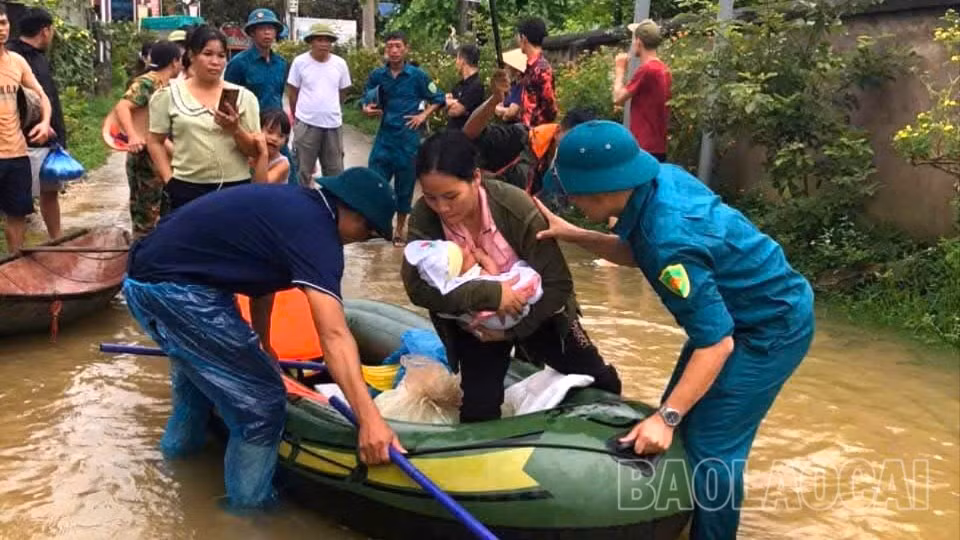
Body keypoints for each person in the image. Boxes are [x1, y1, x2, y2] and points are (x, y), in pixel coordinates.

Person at [535, 120, 816, 539]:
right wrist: (576, 235)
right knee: (682, 412)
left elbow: (716, 343)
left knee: (711, 447)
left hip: (770, 328)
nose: (571, 202)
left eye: (573, 196)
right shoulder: (657, 181)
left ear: (600, 192)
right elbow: (638, 252)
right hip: (737, 315)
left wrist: (666, 419)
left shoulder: (669, 240)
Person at [124, 167, 404, 509]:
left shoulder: (295, 207)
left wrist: (264, 345)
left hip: (156, 277)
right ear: (356, 217)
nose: (360, 240)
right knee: (262, 406)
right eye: (367, 233)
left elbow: (262, 283)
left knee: (197, 378)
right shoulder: (318, 234)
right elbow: (333, 334)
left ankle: (177, 461)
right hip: (179, 293)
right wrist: (370, 420)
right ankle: (247, 513)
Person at [400, 129, 622, 423]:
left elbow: (558, 284)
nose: (442, 208)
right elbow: (418, 290)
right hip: (474, 325)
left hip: (542, 315)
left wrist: (510, 332)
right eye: (431, 198)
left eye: (451, 196)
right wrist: (493, 296)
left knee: (602, 382)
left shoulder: (515, 207)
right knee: (479, 412)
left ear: (476, 178)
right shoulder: (424, 219)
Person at [147, 26, 261, 213]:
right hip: (187, 187)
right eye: (208, 54)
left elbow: (255, 152)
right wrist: (169, 180)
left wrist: (235, 129)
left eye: (221, 56)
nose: (215, 62)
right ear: (192, 55)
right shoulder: (168, 95)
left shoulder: (243, 97)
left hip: (235, 189)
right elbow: (154, 141)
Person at [362, 31, 445, 247]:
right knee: (375, 181)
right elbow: (366, 98)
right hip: (384, 136)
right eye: (390, 46)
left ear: (406, 48)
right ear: (385, 50)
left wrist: (423, 115)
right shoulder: (378, 75)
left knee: (405, 185)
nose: (394, 51)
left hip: (407, 139)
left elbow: (439, 98)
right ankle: (380, 225)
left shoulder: (417, 76)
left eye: (398, 46)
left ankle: (400, 229)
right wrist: (366, 108)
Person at [463, 69, 595, 195]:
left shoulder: (573, 174)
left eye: (580, 147)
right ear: (558, 131)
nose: (574, 150)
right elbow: (470, 132)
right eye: (571, 141)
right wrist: (494, 100)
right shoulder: (521, 139)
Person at [8, 7, 65, 241]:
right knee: (20, 201)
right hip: (22, 142)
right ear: (45, 31)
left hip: (48, 139)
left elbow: (43, 96)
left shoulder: (38, 57)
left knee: (49, 192)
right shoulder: (12, 58)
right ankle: (18, 255)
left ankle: (57, 239)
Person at [113, 40, 182, 237]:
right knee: (145, 217)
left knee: (165, 212)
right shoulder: (146, 82)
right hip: (144, 159)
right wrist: (133, 136)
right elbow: (122, 107)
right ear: (174, 62)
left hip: (161, 158)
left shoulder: (167, 85)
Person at [0, 5, 52, 254]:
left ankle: (14, 264)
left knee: (17, 214)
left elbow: (42, 95)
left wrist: (44, 122)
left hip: (17, 153)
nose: (1, 29)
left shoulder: (17, 62)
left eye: (3, 23)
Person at [403, 239, 543, 330]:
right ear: (461, 268)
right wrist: (483, 257)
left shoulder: (454, 288)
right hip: (505, 314)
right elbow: (494, 274)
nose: (468, 249)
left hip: (485, 321)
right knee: (522, 276)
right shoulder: (475, 275)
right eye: (467, 256)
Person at [225, 8, 296, 184]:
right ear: (252, 32)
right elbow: (228, 102)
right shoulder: (238, 64)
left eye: (271, 28)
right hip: (250, 132)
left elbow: (278, 96)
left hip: (275, 132)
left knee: (288, 176)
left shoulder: (280, 63)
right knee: (252, 180)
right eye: (261, 28)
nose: (267, 32)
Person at [286, 23, 351, 185]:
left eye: (328, 40)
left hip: (333, 126)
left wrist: (332, 109)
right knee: (302, 171)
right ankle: (300, 207)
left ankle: (332, 207)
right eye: (319, 39)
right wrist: (297, 119)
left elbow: (342, 92)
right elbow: (292, 92)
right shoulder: (300, 62)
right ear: (311, 42)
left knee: (335, 172)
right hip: (306, 124)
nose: (324, 44)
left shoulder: (340, 64)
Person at [613, 19, 672, 162]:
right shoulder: (664, 69)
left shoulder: (647, 70)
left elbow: (617, 98)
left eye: (633, 40)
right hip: (658, 145)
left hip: (645, 146)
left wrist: (620, 69)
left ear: (638, 42)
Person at [515, 17, 557, 127]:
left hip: (538, 133)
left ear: (524, 38)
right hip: (525, 130)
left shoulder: (542, 68)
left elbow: (550, 106)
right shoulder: (529, 67)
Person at [444, 44, 484, 131]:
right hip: (452, 135)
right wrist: (452, 102)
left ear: (462, 61)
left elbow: (455, 111)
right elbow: (446, 102)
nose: (456, 62)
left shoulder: (476, 85)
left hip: (465, 138)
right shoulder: (460, 85)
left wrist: (448, 102)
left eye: (457, 58)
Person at [250, 108, 290, 184]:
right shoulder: (250, 154)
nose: (275, 139)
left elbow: (261, 186)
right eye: (270, 132)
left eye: (281, 136)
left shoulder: (283, 164)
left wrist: (264, 154)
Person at [494, 49, 526, 124]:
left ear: (517, 72)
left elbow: (511, 113)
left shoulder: (523, 87)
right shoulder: (512, 86)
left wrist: (502, 111)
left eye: (508, 67)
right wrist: (505, 111)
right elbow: (498, 107)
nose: (505, 70)